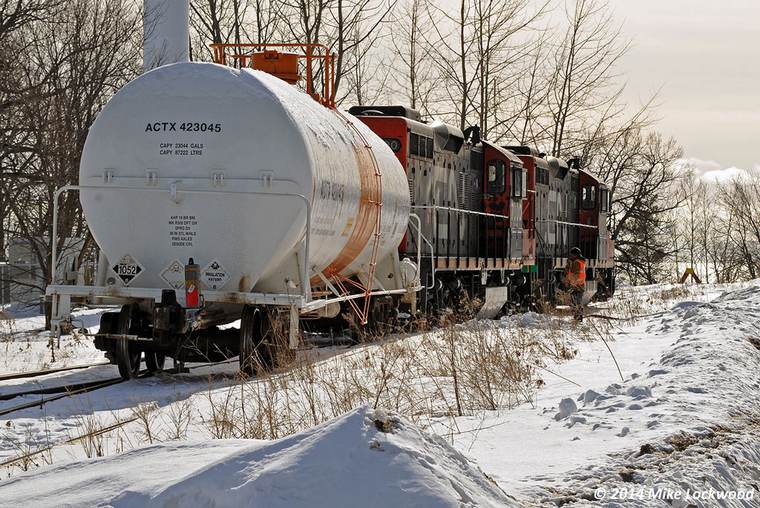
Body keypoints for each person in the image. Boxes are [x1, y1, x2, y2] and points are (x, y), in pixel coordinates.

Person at [564, 247, 586, 321]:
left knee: (574, 302)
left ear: (575, 255)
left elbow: (573, 273)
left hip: (575, 285)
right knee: (578, 301)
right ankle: (578, 316)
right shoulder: (581, 261)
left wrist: (569, 283)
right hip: (581, 284)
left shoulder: (576, 262)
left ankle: (578, 317)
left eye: (571, 254)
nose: (570, 256)